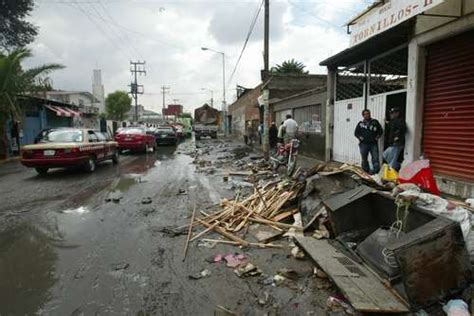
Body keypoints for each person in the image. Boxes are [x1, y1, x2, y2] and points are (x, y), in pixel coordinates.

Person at [354, 109, 383, 174]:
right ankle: (365, 173)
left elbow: (380, 131)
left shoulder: (375, 122)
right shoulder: (360, 123)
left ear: (370, 114)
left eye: (368, 113)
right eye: (365, 114)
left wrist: (377, 137)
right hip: (363, 144)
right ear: (363, 115)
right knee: (364, 159)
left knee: (375, 159)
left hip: (373, 144)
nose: (367, 115)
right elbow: (356, 133)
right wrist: (359, 137)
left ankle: (376, 173)